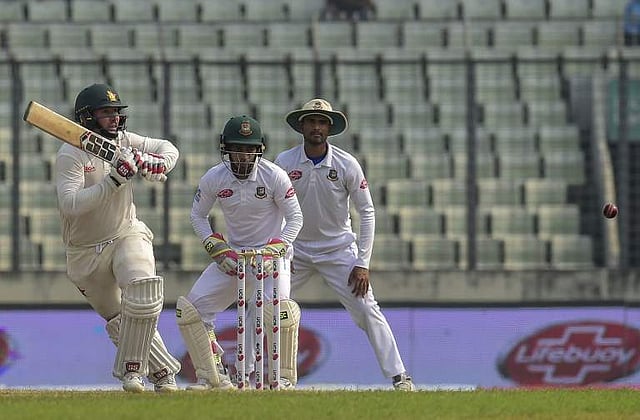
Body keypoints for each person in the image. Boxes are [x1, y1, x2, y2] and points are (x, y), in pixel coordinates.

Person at [275, 99, 415, 391]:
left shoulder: (346, 163)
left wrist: (362, 263)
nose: (316, 127)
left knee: (367, 309)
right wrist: (282, 247)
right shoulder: (284, 162)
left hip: (338, 250)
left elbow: (367, 211)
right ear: (302, 126)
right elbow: (274, 208)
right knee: (268, 305)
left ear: (329, 128)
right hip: (295, 251)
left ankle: (399, 376)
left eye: (322, 122)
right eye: (311, 121)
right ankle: (253, 373)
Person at [55, 83, 181, 392]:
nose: (114, 118)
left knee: (142, 291)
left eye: (116, 112)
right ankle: (164, 372)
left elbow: (168, 148)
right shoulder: (70, 153)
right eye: (106, 112)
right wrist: (113, 180)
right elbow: (70, 205)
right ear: (87, 117)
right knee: (119, 320)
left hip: (125, 232)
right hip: (84, 253)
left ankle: (131, 371)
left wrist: (156, 163)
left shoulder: (124, 141)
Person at [176, 115, 303, 391]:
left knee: (279, 312)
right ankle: (213, 377)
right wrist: (215, 248)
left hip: (271, 258)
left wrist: (276, 249)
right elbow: (197, 216)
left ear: (259, 149)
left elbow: (296, 218)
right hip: (234, 258)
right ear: (226, 149)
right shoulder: (214, 177)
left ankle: (283, 379)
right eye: (237, 149)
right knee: (191, 311)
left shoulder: (274, 176)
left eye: (249, 149)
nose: (243, 156)